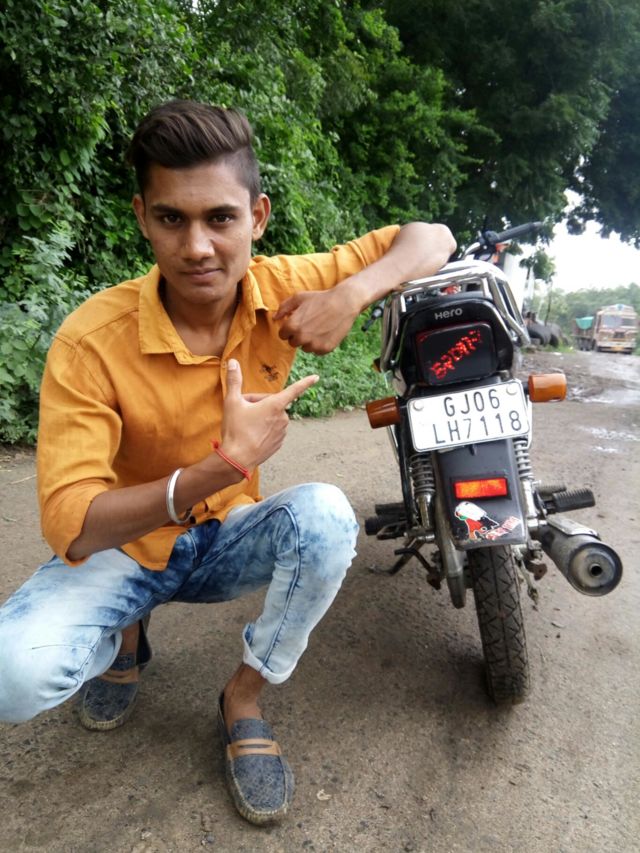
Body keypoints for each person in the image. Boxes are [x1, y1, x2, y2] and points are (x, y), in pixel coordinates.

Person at [0, 100, 455, 825]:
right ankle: (126, 639)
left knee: (326, 517)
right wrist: (218, 467)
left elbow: (431, 237)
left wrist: (351, 294)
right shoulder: (91, 341)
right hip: (125, 548)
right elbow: (73, 526)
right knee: (13, 675)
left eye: (220, 218)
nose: (198, 247)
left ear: (257, 216)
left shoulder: (282, 288)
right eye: (172, 219)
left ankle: (242, 697)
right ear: (143, 218)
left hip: (227, 536)